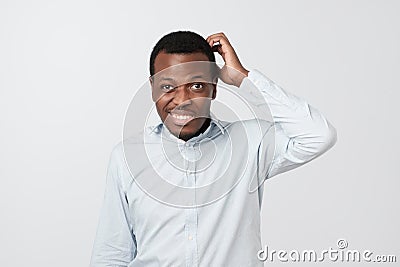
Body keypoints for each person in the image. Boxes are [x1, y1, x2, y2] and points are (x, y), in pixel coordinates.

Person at [90, 31, 337, 266]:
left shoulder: (251, 142)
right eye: (168, 87)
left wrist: (242, 77)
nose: (182, 100)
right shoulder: (127, 156)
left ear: (214, 88)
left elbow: (318, 134)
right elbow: (112, 254)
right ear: (153, 87)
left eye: (196, 85)